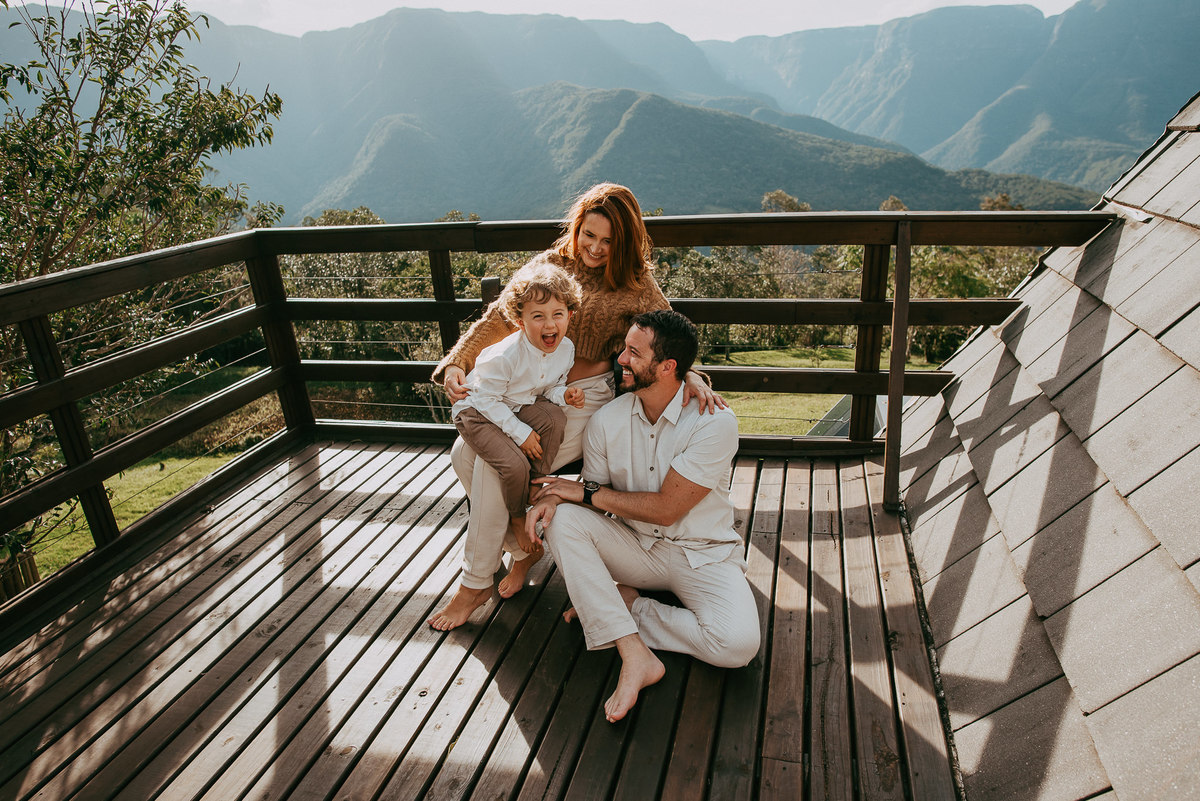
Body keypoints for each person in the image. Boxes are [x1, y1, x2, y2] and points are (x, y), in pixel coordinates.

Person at [427, 183, 724, 631]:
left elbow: (670, 332)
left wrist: (690, 373)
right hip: (530, 391)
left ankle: (475, 582)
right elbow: (498, 319)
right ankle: (523, 545)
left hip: (586, 396)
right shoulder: (548, 266)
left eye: (609, 241)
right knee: (463, 452)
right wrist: (456, 362)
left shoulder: (636, 282)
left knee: (482, 462)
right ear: (576, 226)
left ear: (624, 242)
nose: (596, 248)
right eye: (589, 234)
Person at [527, 310, 760, 723]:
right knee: (562, 521)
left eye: (634, 353)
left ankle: (626, 607)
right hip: (636, 549)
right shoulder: (605, 422)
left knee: (737, 646)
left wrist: (584, 491)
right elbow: (592, 500)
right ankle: (633, 652)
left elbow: (669, 509)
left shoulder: (714, 423)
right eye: (624, 349)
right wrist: (556, 501)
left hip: (702, 554)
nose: (621, 359)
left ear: (668, 367)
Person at [448, 259, 585, 568]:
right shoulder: (506, 355)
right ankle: (514, 517)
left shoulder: (565, 350)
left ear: (570, 315)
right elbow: (485, 399)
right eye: (538, 317)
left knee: (556, 419)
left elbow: (551, 386)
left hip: (512, 404)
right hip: (476, 410)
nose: (549, 325)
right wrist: (520, 433)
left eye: (557, 315)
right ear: (521, 321)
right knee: (512, 465)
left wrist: (564, 394)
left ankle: (533, 489)